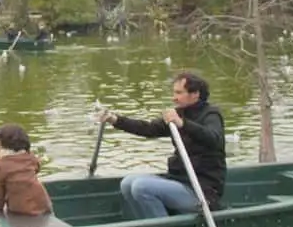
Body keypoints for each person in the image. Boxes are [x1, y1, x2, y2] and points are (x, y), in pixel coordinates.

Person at [97, 72, 226, 219]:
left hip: (202, 190)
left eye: (179, 93)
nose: (174, 97)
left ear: (195, 94)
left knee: (142, 187)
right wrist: (116, 120)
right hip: (179, 180)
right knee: (127, 183)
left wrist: (183, 124)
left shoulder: (211, 115)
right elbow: (148, 129)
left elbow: (214, 138)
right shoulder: (179, 114)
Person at [0, 123, 53, 216]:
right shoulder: (30, 156)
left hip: (21, 208)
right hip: (43, 204)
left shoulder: (1, 163)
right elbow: (37, 168)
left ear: (4, 143)